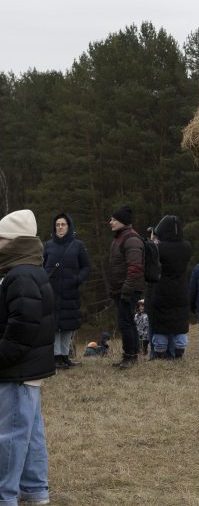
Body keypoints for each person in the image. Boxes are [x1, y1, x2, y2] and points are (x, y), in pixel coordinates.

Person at [0, 209, 55, 505]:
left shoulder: (21, 276)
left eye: (0, 240)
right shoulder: (28, 272)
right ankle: (34, 491)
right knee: (31, 435)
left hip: (17, 371)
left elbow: (22, 328)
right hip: (26, 370)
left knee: (9, 438)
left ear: (15, 243)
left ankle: (4, 496)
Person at [42, 213, 91, 369]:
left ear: (69, 226)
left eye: (63, 224)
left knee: (68, 325)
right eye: (57, 224)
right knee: (54, 325)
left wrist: (77, 280)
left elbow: (86, 267)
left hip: (70, 291)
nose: (60, 227)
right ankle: (56, 357)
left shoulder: (78, 245)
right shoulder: (47, 245)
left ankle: (65, 356)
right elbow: (41, 266)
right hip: (51, 291)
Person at [106, 206, 145, 368]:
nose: (110, 222)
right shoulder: (121, 237)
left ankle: (130, 356)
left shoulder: (131, 240)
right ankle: (131, 354)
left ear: (122, 222)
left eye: (114, 220)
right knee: (128, 321)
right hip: (121, 289)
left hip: (128, 290)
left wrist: (126, 291)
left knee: (126, 323)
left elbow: (135, 268)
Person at [148, 216, 193, 359]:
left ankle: (160, 351)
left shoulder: (159, 248)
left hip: (162, 290)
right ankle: (179, 350)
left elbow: (152, 259)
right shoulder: (187, 247)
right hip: (181, 290)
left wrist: (153, 241)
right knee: (179, 323)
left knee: (160, 324)